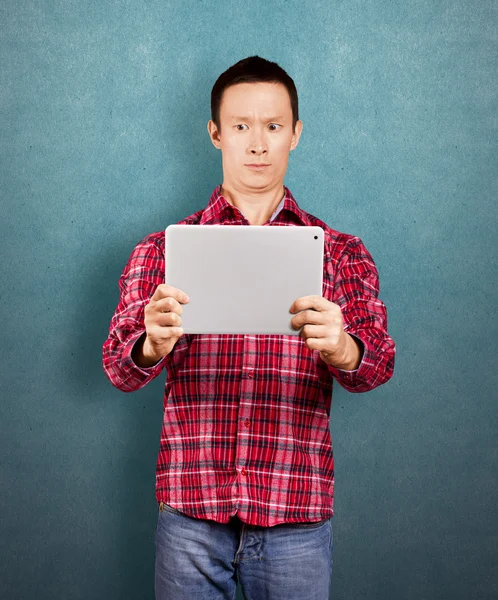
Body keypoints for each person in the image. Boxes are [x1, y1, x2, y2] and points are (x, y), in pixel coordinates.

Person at [102, 55, 396, 600]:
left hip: (294, 515)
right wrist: (151, 344)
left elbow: (377, 366)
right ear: (216, 134)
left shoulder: (342, 253)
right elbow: (118, 369)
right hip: (191, 512)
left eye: (273, 126)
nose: (257, 144)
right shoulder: (161, 251)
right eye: (241, 126)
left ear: (296, 134)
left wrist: (344, 348)